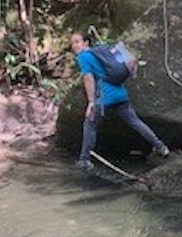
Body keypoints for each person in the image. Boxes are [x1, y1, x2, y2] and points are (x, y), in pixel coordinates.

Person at [70, 31, 169, 169]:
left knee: (90, 125)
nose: (74, 45)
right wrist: (133, 75)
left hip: (104, 97)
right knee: (135, 121)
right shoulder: (105, 50)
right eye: (72, 43)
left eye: (77, 41)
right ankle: (160, 147)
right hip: (121, 94)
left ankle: (84, 161)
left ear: (86, 43)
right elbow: (132, 60)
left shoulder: (84, 57)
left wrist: (91, 102)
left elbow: (88, 79)